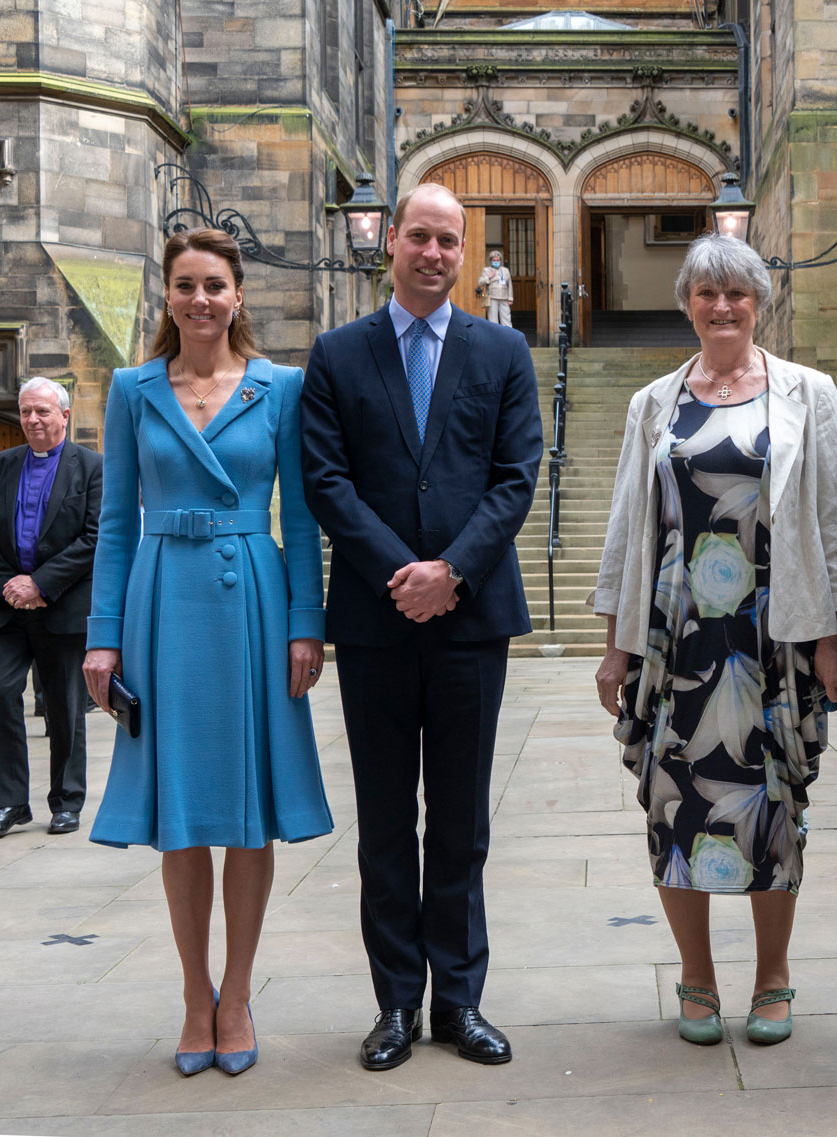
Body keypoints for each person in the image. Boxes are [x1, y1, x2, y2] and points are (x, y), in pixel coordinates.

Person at [593, 234, 837, 1047]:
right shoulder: (653, 404)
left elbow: (836, 521)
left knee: (773, 804)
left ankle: (773, 975)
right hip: (677, 638)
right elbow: (627, 532)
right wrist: (616, 643)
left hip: (771, 633)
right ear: (687, 304)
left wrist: (834, 635)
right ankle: (698, 977)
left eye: (737, 294)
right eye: (706, 294)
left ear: (759, 303)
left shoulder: (808, 393)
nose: (722, 307)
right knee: (675, 806)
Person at [301, 182, 542, 1071]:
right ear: (390, 240)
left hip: (471, 618)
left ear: (464, 248)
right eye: (420, 238)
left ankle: (462, 1001)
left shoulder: (504, 349)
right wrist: (402, 572)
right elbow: (326, 479)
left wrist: (454, 571)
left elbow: (517, 474)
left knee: (461, 822)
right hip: (375, 618)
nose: (435, 253)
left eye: (450, 240)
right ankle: (396, 1003)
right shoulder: (337, 353)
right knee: (384, 820)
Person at [82, 228, 332, 1077]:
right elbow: (116, 522)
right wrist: (102, 636)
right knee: (181, 813)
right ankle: (194, 994)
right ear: (167, 296)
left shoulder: (281, 387)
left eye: (215, 285)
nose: (200, 299)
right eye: (185, 285)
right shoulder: (131, 388)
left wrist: (308, 621)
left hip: (253, 602)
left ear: (238, 296)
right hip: (162, 602)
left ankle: (238, 990)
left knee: (246, 807)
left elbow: (298, 520)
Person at [0, 377, 102, 839]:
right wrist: (10, 584)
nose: (32, 420)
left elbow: (96, 535)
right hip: (4, 608)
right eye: (26, 412)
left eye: (42, 411)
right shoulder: (0, 464)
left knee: (64, 706)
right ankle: (9, 804)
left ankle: (66, 802)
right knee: (0, 698)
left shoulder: (93, 467)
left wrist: (42, 583)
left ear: (65, 415)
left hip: (60, 606)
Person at [475, 250, 514, 327]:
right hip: (492, 297)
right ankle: (495, 337)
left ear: (500, 260)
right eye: (494, 260)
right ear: (491, 261)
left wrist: (510, 298)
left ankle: (508, 336)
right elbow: (480, 282)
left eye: (498, 260)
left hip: (504, 297)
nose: (496, 262)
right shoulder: (486, 270)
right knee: (493, 320)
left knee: (506, 319)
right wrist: (489, 277)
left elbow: (509, 284)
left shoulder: (505, 270)